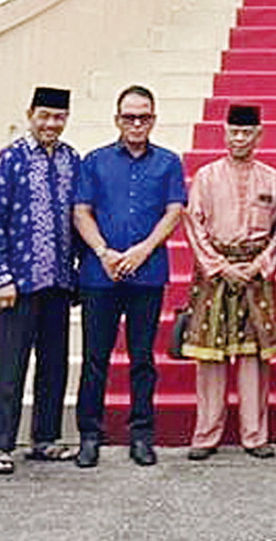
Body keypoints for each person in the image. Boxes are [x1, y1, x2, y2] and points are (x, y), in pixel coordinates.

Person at [72, 85, 186, 468]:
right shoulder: (95, 161)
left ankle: (141, 434)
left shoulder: (168, 162)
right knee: (95, 358)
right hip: (100, 274)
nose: (136, 124)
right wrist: (103, 252)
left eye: (143, 117)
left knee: (142, 358)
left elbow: (174, 211)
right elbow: (81, 212)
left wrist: (143, 250)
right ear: (117, 119)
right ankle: (90, 435)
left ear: (153, 119)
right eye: (129, 117)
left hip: (147, 273)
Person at [0, 86, 80, 474]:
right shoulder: (11, 158)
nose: (51, 123)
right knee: (10, 364)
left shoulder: (72, 159)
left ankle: (45, 439)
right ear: (30, 115)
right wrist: (1, 275)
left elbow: (79, 218)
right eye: (44, 116)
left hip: (58, 281)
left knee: (54, 364)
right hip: (18, 282)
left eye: (59, 117)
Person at [182, 104, 276, 460]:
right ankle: (206, 435)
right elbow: (194, 225)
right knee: (210, 358)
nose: (240, 139)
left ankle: (255, 436)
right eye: (234, 132)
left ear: (259, 135)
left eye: (247, 133)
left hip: (256, 274)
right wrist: (220, 266)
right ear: (224, 133)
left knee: (254, 356)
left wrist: (259, 264)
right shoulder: (206, 176)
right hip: (216, 275)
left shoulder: (271, 179)